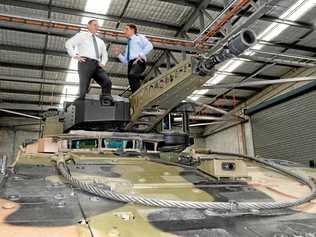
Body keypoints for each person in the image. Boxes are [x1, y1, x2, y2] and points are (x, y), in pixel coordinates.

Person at [65, 19, 112, 104]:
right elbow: (68, 43)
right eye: (95, 25)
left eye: (98, 26)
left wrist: (103, 63)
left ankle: (106, 100)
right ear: (88, 26)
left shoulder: (100, 41)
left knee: (107, 81)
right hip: (85, 62)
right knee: (84, 86)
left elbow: (105, 54)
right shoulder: (81, 35)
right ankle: (80, 103)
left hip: (97, 64)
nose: (97, 27)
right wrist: (74, 55)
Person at [113, 24, 153, 93]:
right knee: (131, 81)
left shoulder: (139, 37)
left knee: (133, 74)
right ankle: (136, 96)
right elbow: (125, 61)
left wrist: (140, 55)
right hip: (130, 64)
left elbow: (150, 46)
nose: (124, 31)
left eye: (126, 29)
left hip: (138, 61)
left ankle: (140, 94)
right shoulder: (128, 45)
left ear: (132, 30)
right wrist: (118, 54)